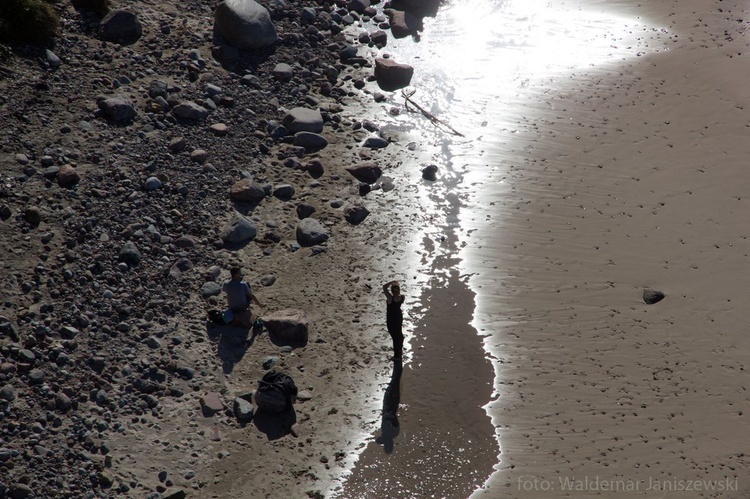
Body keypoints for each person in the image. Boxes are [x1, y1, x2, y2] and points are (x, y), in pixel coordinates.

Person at [383, 280, 404, 359]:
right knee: (399, 334)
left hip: (391, 319)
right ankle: (400, 350)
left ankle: (397, 355)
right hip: (398, 317)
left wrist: (391, 282)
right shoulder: (402, 297)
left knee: (395, 337)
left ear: (391, 291)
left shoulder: (390, 298)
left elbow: (384, 287)